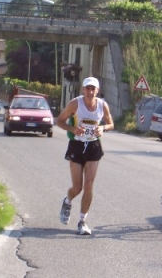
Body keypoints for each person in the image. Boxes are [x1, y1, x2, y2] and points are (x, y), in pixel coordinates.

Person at [57, 77, 114, 235]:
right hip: (77, 145)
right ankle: (67, 201)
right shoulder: (75, 103)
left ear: (97, 90)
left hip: (94, 146)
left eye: (93, 89)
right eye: (87, 89)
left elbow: (111, 123)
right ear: (83, 90)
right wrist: (73, 129)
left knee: (89, 184)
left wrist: (103, 128)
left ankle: (82, 222)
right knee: (77, 187)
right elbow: (59, 121)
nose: (90, 92)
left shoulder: (102, 105)